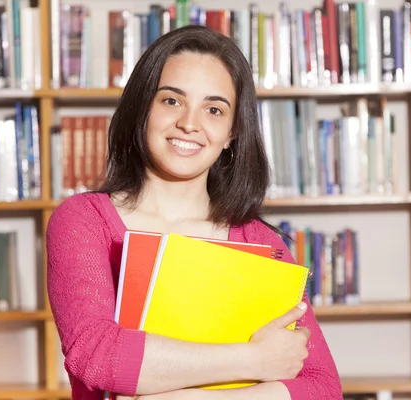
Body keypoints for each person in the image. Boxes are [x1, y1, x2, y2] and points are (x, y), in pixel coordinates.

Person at [46, 25, 342, 400]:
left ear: (232, 133)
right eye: (171, 101)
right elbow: (97, 356)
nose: (190, 123)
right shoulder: (83, 221)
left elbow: (322, 388)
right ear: (143, 108)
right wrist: (252, 360)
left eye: (214, 109)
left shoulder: (261, 242)